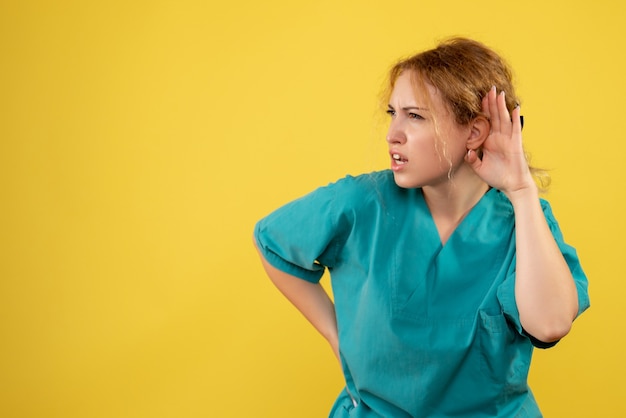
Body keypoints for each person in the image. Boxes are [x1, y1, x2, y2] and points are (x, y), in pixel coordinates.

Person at [253, 37, 590, 417]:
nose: (392, 133)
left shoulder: (524, 221)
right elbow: (273, 242)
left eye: (414, 116)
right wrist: (337, 335)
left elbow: (549, 324)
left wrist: (522, 189)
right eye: (392, 113)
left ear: (475, 132)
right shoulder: (362, 203)